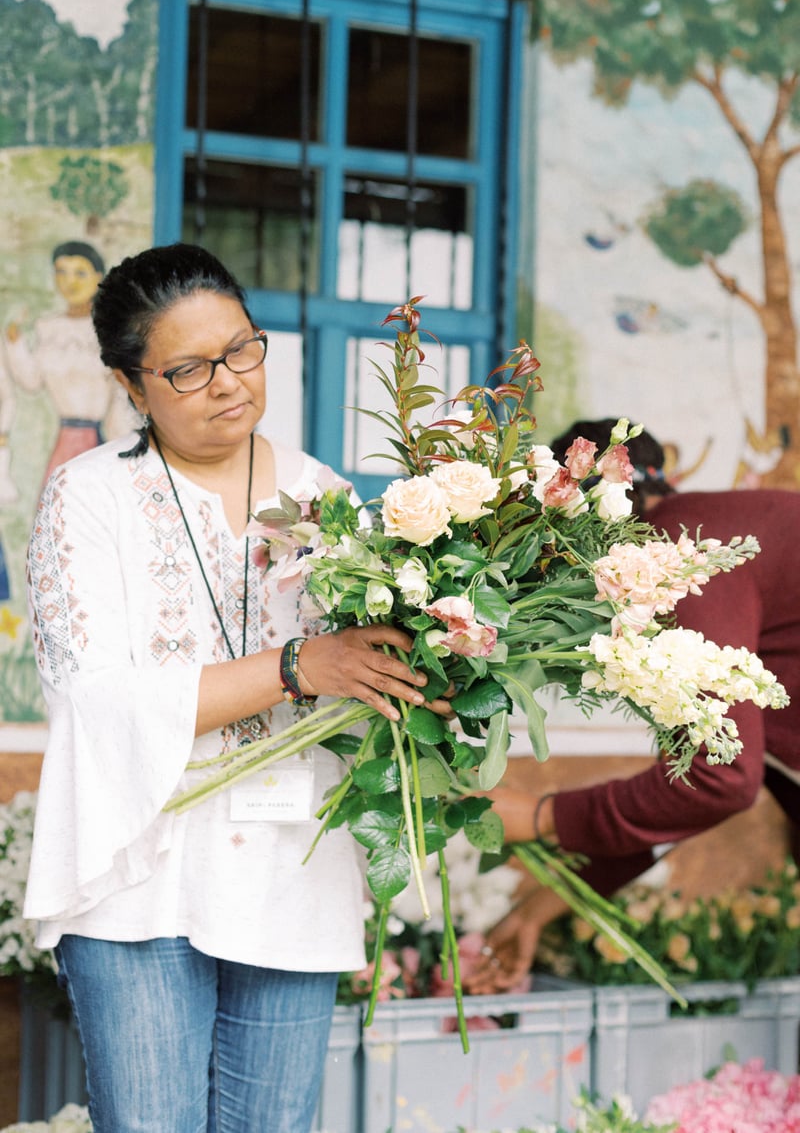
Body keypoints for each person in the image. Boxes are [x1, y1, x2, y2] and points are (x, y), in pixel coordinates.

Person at [23, 243, 451, 1133]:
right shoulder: (88, 496)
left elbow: (367, 677)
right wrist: (297, 666)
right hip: (138, 875)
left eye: (243, 349)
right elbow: (92, 699)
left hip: (291, 864)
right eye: (188, 369)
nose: (229, 383)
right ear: (131, 386)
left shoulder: (326, 499)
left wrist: (434, 678)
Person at [469, 417, 800, 995]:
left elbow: (721, 780)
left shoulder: (678, 556)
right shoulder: (698, 544)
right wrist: (539, 909)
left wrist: (546, 816)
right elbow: (688, 793)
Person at [5, 240, 134, 484]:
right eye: (61, 272)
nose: (69, 281)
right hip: (65, 440)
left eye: (80, 273)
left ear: (98, 276)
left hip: (104, 439)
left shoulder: (110, 330)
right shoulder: (48, 327)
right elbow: (32, 381)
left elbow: (121, 391)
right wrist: (15, 343)